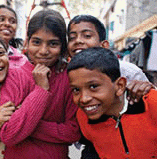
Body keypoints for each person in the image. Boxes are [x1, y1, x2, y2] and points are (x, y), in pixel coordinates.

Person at [0, 9, 81, 158]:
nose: (43, 51)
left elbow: (73, 132)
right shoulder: (14, 75)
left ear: (62, 47)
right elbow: (9, 134)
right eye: (37, 42)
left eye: (53, 44)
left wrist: (26, 121)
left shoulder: (68, 78)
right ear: (27, 41)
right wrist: (41, 90)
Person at [67, 14, 156, 159]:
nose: (78, 41)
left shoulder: (131, 75)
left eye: (87, 36)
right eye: (72, 37)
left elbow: (147, 95)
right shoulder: (84, 116)